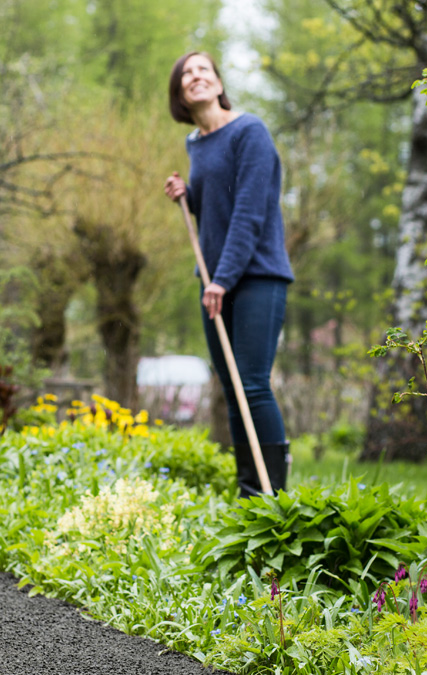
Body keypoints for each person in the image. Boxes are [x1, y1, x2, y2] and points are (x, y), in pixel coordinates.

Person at [162, 51, 294, 497]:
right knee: (231, 387)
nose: (195, 77)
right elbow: (218, 206)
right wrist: (190, 196)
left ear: (218, 83)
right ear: (180, 93)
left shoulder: (250, 132)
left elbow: (249, 212)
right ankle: (248, 492)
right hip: (215, 279)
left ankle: (272, 491)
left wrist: (223, 278)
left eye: (204, 70)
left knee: (252, 381)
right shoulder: (196, 143)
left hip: (256, 276)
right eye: (186, 75)